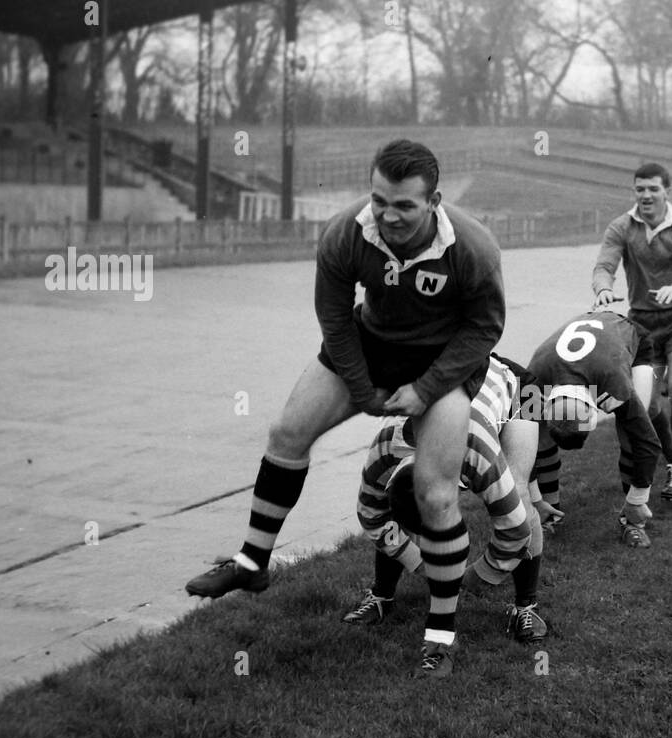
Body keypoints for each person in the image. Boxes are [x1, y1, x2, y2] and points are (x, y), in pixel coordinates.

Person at [185, 139, 506, 678]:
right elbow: (335, 321)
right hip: (369, 346)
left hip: (444, 361)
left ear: (435, 201)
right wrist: (363, 391)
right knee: (286, 432)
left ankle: (441, 633)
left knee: (434, 492)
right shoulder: (345, 233)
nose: (388, 214)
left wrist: (426, 391)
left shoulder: (472, 246)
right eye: (380, 199)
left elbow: (484, 329)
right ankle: (252, 562)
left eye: (404, 204)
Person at [346, 356, 544, 677]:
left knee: (519, 493)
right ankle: (382, 595)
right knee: (415, 523)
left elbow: (515, 528)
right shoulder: (385, 450)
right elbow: (372, 515)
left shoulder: (476, 451)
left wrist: (480, 575)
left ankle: (526, 607)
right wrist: (418, 561)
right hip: (456, 391)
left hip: (520, 388)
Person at [592, 162, 672, 503]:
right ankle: (671, 460)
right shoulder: (622, 227)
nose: (646, 195)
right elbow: (605, 265)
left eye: (652, 189)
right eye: (640, 189)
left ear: (666, 192)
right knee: (648, 404)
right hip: (642, 324)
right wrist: (602, 288)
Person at [525, 307, 662, 547]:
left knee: (632, 431)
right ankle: (550, 514)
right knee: (535, 436)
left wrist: (637, 500)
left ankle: (632, 523)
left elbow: (647, 441)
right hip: (587, 347)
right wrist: (535, 500)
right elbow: (521, 448)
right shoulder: (532, 380)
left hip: (628, 336)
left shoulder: (612, 380)